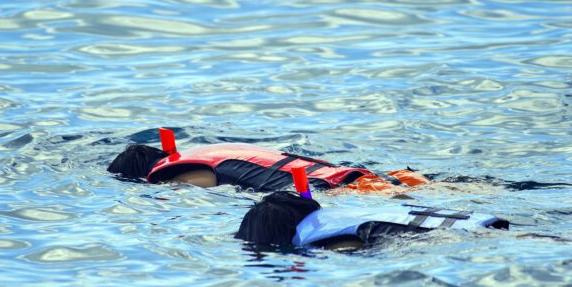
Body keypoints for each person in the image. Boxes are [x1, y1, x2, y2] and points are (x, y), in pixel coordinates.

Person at [107, 128, 430, 194]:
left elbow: (204, 192)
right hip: (354, 175)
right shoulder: (214, 148)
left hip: (336, 190)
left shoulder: (178, 173)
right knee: (436, 190)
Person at [236, 191, 509, 252]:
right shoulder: (346, 212)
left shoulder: (329, 240)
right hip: (480, 225)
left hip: (467, 240)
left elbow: (355, 246)